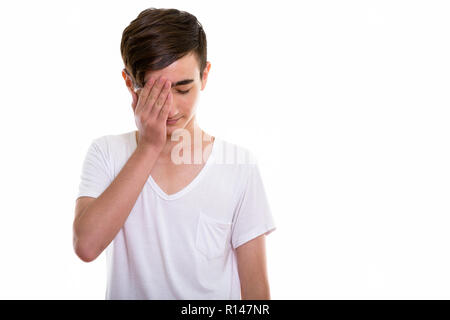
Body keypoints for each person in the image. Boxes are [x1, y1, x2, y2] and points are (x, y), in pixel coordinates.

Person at [73, 7, 276, 300]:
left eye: (183, 89)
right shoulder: (106, 153)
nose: (170, 109)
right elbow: (87, 246)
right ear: (130, 84)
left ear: (204, 76)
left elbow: (256, 291)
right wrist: (149, 147)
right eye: (155, 92)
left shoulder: (239, 166)